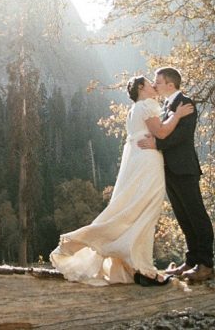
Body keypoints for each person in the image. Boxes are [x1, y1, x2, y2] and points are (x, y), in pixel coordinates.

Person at [50, 75, 194, 286]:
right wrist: (178, 115)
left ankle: (135, 265)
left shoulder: (135, 109)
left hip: (138, 162)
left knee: (136, 210)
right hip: (148, 162)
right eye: (149, 82)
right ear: (142, 89)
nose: (154, 85)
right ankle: (142, 268)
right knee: (146, 211)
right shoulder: (146, 106)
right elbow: (162, 132)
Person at [137, 66, 215, 282]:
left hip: (184, 168)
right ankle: (191, 261)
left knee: (196, 214)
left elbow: (181, 136)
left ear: (171, 85)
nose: (154, 85)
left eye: (158, 81)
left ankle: (206, 264)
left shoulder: (186, 103)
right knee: (183, 216)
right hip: (169, 170)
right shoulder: (165, 106)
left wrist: (156, 143)